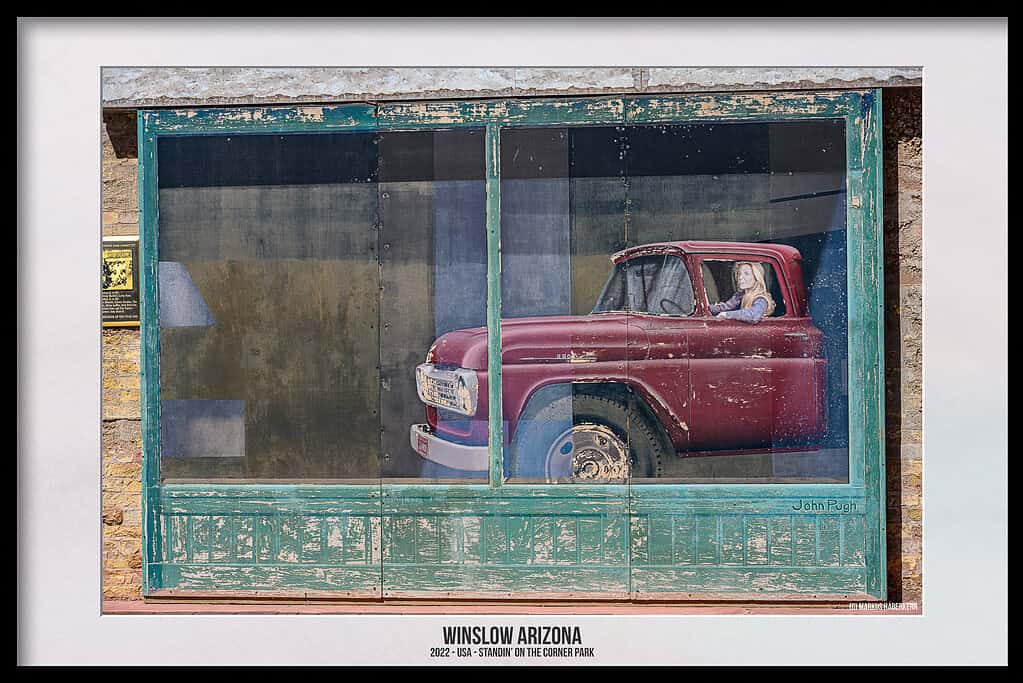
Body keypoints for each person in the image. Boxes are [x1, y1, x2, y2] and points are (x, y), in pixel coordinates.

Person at [708, 261, 776, 323]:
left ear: (756, 277)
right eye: (739, 273)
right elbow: (726, 307)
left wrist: (727, 315)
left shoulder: (761, 299)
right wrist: (707, 308)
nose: (740, 277)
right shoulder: (740, 296)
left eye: (746, 274)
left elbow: (754, 315)